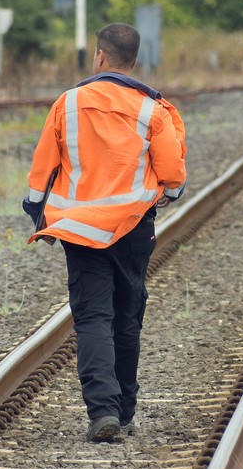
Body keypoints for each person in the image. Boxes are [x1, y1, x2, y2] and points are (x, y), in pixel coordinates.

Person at [23, 22, 187, 442]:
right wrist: (169, 192)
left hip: (80, 229)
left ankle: (102, 412)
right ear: (134, 61)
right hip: (133, 229)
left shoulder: (69, 103)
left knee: (93, 316)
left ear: (99, 56)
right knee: (127, 314)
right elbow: (173, 175)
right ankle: (125, 412)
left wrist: (36, 208)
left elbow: (42, 168)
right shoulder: (153, 109)